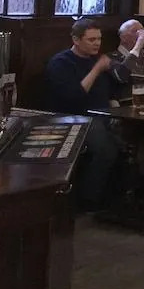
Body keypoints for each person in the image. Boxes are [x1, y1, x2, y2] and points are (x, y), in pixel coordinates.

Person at [44, 18, 128, 210]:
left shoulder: (98, 59)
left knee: (130, 143)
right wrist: (97, 69)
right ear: (76, 39)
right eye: (91, 40)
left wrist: (114, 101)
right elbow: (74, 97)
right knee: (105, 150)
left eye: (99, 39)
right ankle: (89, 202)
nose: (97, 43)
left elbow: (120, 80)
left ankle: (117, 201)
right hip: (73, 118)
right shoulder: (61, 63)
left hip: (103, 115)